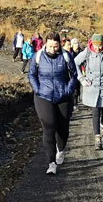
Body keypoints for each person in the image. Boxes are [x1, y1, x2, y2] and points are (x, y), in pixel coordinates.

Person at [28, 32, 78, 175]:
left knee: (63, 129)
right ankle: (51, 163)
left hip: (63, 96)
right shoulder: (37, 56)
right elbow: (31, 74)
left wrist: (68, 90)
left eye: (55, 46)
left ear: (59, 44)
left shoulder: (66, 56)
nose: (52, 49)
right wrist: (37, 89)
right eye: (50, 46)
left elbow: (74, 75)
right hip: (43, 96)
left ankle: (61, 150)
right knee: (49, 128)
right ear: (45, 44)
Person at [74, 34, 103, 150]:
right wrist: (81, 78)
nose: (97, 49)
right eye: (96, 46)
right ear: (92, 44)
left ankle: (102, 125)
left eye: (100, 46)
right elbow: (75, 62)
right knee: (95, 112)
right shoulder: (87, 52)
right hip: (92, 87)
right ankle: (97, 138)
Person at [69, 38, 83, 111]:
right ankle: (74, 104)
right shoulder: (70, 52)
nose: (76, 45)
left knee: (78, 88)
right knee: (73, 89)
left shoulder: (81, 52)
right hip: (72, 73)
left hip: (80, 72)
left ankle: (76, 102)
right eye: (75, 43)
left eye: (77, 43)